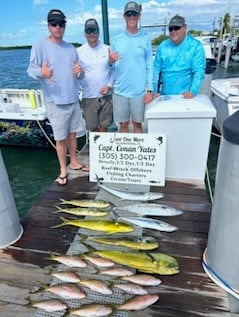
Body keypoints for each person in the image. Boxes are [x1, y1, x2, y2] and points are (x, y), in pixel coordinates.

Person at [27, 9, 89, 186]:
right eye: (54, 23)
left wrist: (80, 72)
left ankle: (75, 162)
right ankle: (63, 170)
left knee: (73, 134)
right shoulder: (39, 46)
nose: (58, 27)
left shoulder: (70, 48)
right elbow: (31, 70)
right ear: (48, 26)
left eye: (61, 23)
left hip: (73, 99)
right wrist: (42, 72)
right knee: (60, 138)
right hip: (55, 101)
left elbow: (81, 76)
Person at [109, 1, 153, 133]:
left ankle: (139, 153)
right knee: (123, 125)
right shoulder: (116, 40)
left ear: (139, 16)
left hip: (139, 92)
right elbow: (110, 68)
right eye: (129, 14)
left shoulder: (145, 39)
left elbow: (150, 66)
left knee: (137, 125)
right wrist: (110, 61)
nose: (132, 17)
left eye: (134, 14)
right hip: (120, 92)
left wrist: (150, 89)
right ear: (124, 17)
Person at [153, 14, 206, 99]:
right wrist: (154, 91)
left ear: (185, 27)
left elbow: (199, 71)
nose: (173, 31)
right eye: (171, 29)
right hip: (165, 95)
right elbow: (155, 70)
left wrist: (193, 91)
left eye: (177, 27)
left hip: (185, 96)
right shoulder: (163, 46)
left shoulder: (196, 46)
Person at [77, 18, 113, 132]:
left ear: (99, 32)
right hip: (88, 96)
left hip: (105, 95)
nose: (92, 34)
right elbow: (77, 76)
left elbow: (114, 71)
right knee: (92, 129)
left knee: (104, 126)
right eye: (89, 31)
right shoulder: (78, 51)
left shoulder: (108, 49)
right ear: (84, 33)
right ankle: (95, 149)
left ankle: (104, 149)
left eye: (94, 30)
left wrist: (109, 86)